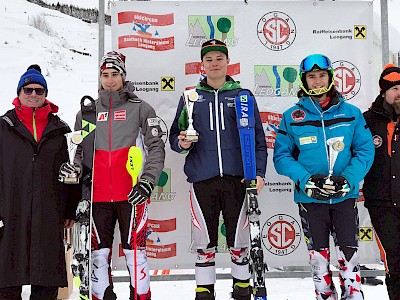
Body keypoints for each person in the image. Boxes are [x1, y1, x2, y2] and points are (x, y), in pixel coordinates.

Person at [169, 39, 267, 300]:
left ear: (227, 62)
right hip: (203, 179)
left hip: (238, 179)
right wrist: (181, 142)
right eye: (209, 59)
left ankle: (242, 287)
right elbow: (174, 140)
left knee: (239, 241)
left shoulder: (242, 96)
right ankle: (204, 290)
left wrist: (259, 173)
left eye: (219, 58)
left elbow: (258, 139)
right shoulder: (190, 98)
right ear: (202, 64)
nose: (214, 64)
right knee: (204, 243)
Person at [273, 54, 374, 300]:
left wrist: (348, 179)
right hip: (310, 198)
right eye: (311, 77)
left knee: (349, 255)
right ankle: (324, 296)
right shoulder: (292, 116)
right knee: (318, 259)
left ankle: (353, 295)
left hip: (344, 197)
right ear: (304, 81)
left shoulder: (351, 113)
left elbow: (365, 150)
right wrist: (306, 180)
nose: (317, 81)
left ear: (330, 77)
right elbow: (282, 157)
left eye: (321, 76)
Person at [73, 51, 165, 300]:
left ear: (123, 76)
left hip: (132, 194)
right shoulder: (88, 113)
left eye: (115, 74)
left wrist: (147, 180)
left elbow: (156, 147)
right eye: (105, 75)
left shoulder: (140, 109)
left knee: (136, 255)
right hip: (98, 195)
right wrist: (81, 185)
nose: (110, 80)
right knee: (98, 257)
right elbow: (80, 153)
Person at [0, 65, 79, 299]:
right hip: (10, 211)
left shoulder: (58, 129)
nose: (33, 94)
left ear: (45, 94)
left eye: (39, 90)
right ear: (19, 93)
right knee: (6, 280)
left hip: (48, 213)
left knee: (46, 283)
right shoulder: (4, 127)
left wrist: (69, 209)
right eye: (28, 89)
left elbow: (68, 172)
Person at [363, 63, 400, 300]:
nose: (399, 93)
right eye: (395, 88)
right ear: (383, 91)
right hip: (382, 204)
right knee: (395, 261)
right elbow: (355, 156)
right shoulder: (366, 121)